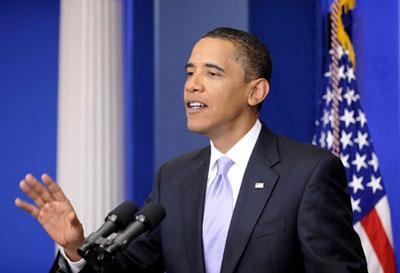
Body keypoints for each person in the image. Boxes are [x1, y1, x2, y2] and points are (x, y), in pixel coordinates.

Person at [15, 27, 367, 273]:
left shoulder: (308, 173)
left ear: (255, 92)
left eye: (212, 74)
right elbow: (133, 267)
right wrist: (76, 248)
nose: (192, 86)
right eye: (189, 72)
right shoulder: (174, 178)